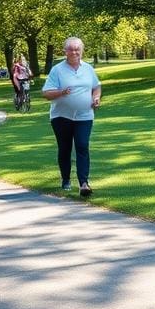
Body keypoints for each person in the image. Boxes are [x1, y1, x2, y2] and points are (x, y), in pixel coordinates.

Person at [42, 37, 102, 196]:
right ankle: (66, 179)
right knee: (65, 148)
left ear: (82, 51)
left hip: (85, 116)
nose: (74, 52)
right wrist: (61, 92)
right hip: (61, 117)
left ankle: (84, 183)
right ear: (65, 52)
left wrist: (96, 98)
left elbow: (96, 87)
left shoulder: (88, 68)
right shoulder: (57, 70)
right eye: (71, 49)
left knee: (82, 146)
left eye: (77, 49)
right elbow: (46, 93)